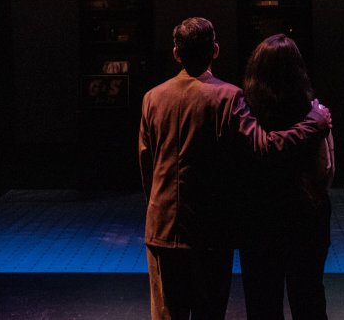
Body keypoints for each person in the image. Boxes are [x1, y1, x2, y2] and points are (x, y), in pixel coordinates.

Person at [139, 18, 331, 320]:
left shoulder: (152, 98)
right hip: (209, 231)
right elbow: (265, 146)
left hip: (161, 227)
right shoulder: (229, 97)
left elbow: (146, 164)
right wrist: (313, 123)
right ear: (215, 50)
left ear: (176, 53)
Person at [238, 33, 335, 320]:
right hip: (306, 216)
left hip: (258, 217)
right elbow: (327, 169)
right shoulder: (314, 112)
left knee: (262, 303)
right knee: (309, 298)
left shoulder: (245, 113)